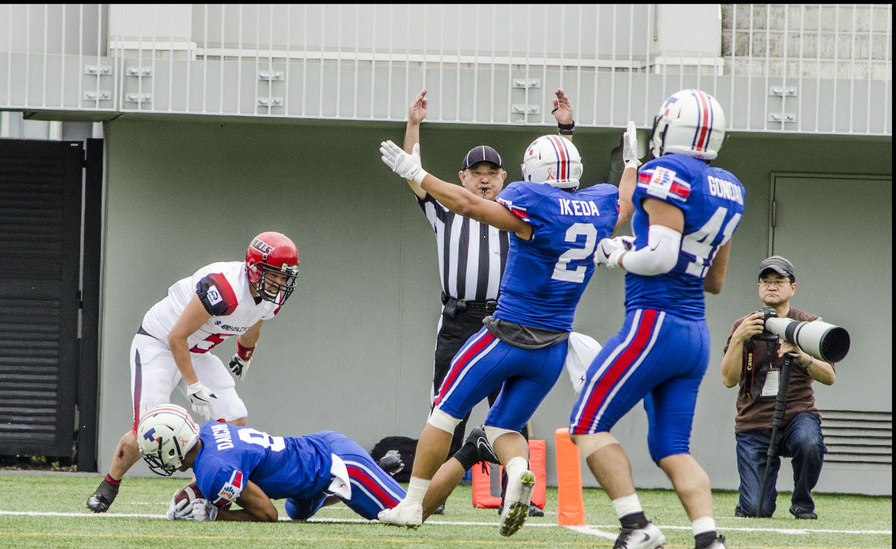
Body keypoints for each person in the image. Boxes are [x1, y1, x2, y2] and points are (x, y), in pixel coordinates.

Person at [377, 107, 637, 537]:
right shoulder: (599, 206)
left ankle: (410, 504)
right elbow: (625, 204)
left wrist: (416, 172)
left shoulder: (531, 204)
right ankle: (517, 470)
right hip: (553, 348)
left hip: (505, 335)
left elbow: (466, 204)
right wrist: (631, 164)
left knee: (443, 414)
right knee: (501, 426)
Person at [569, 89, 744, 549]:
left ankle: (635, 526)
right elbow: (712, 280)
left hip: (653, 323)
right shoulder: (729, 187)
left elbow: (662, 257)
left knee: (587, 421)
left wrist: (618, 256)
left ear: (671, 128)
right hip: (695, 334)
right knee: (671, 447)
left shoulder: (665, 173)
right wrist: (638, 244)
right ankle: (709, 543)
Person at [402, 88, 585, 517]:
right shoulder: (445, 210)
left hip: (506, 321)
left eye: (492, 171)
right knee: (447, 410)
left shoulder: (522, 212)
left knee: (509, 412)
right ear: (462, 178)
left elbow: (559, 182)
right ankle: (433, 497)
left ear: (505, 177)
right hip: (459, 319)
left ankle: (513, 496)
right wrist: (413, 126)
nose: (484, 178)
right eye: (475, 171)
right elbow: (412, 173)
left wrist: (565, 131)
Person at [87, 232, 299, 513]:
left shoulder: (269, 298)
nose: (281, 283)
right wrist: (193, 385)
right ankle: (110, 484)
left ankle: (199, 487)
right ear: (255, 267)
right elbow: (177, 337)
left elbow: (253, 322)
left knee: (234, 416)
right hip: (159, 343)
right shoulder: (225, 287)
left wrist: (244, 354)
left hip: (196, 350)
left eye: (286, 277)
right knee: (150, 428)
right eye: (276, 275)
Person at [135, 404, 407, 522]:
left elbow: (267, 514)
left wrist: (216, 514)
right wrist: (195, 493)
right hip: (309, 467)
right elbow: (225, 466)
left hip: (336, 461)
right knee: (296, 512)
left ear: (174, 449)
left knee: (407, 513)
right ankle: (377, 470)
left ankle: (373, 473)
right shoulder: (206, 432)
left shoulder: (213, 470)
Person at [720, 255, 834, 520]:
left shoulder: (808, 325)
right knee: (755, 511)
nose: (771, 286)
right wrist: (739, 338)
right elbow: (727, 379)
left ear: (792, 287)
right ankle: (753, 500)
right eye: (766, 281)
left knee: (808, 442)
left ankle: (802, 502)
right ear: (759, 287)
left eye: (779, 281)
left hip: (797, 415)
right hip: (753, 422)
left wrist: (802, 356)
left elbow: (829, 376)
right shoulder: (743, 325)